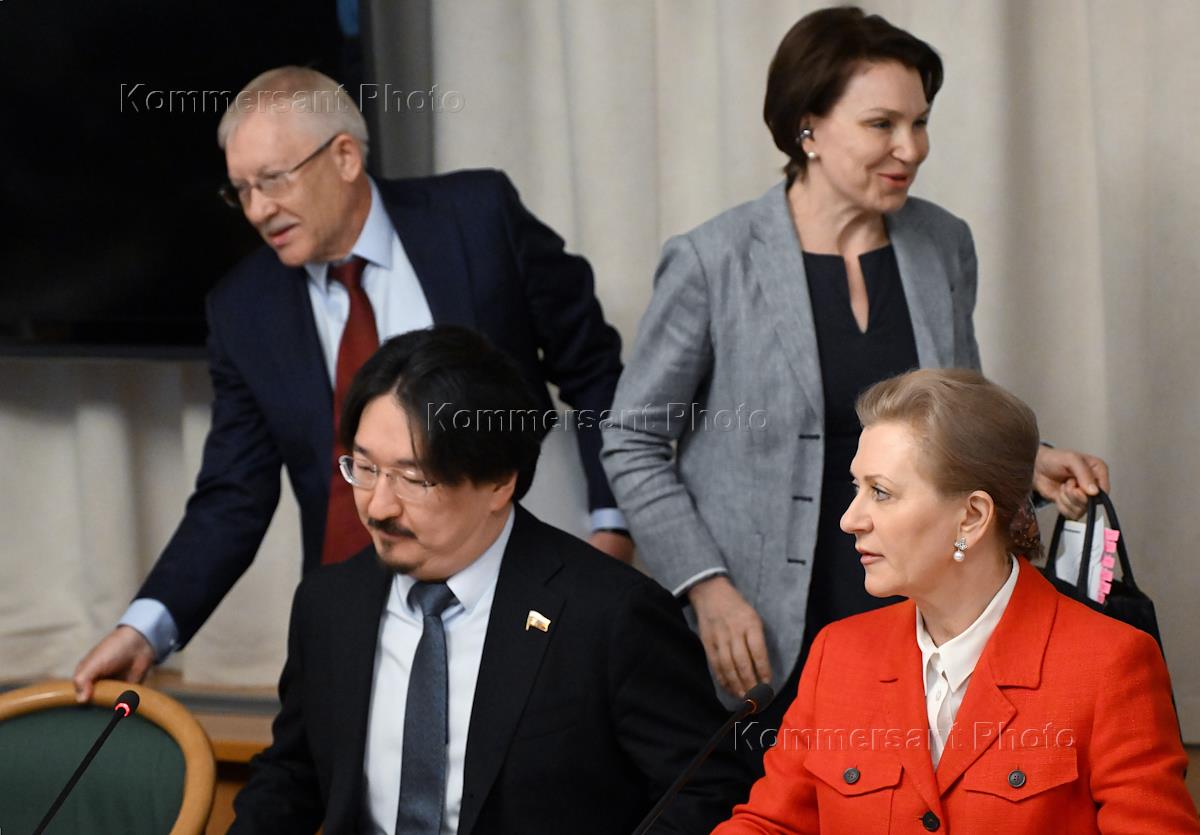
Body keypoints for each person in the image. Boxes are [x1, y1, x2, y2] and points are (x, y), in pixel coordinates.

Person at [600, 5, 1109, 751]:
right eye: (882, 124)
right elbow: (632, 442)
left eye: (920, 122)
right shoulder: (713, 260)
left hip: (921, 604)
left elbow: (951, 420)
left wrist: (1030, 462)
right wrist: (706, 587)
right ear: (807, 126)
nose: (912, 148)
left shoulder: (942, 244)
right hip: (760, 626)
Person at [74, 66, 632, 701]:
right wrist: (145, 630)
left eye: (273, 181)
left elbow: (594, 368)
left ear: (343, 157)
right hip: (358, 617)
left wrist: (612, 523)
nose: (257, 210)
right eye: (241, 191)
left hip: (522, 584)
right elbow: (233, 494)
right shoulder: (243, 309)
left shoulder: (478, 218)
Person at [229, 326, 750, 834]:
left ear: (499, 481)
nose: (379, 506)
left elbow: (707, 792)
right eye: (364, 469)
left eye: (413, 479)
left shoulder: (610, 616)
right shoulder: (328, 604)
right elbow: (291, 778)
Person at [713, 368, 1198, 833]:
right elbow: (771, 825)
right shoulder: (836, 655)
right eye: (857, 488)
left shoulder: (1111, 664)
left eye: (881, 492)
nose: (850, 519)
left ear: (972, 516)